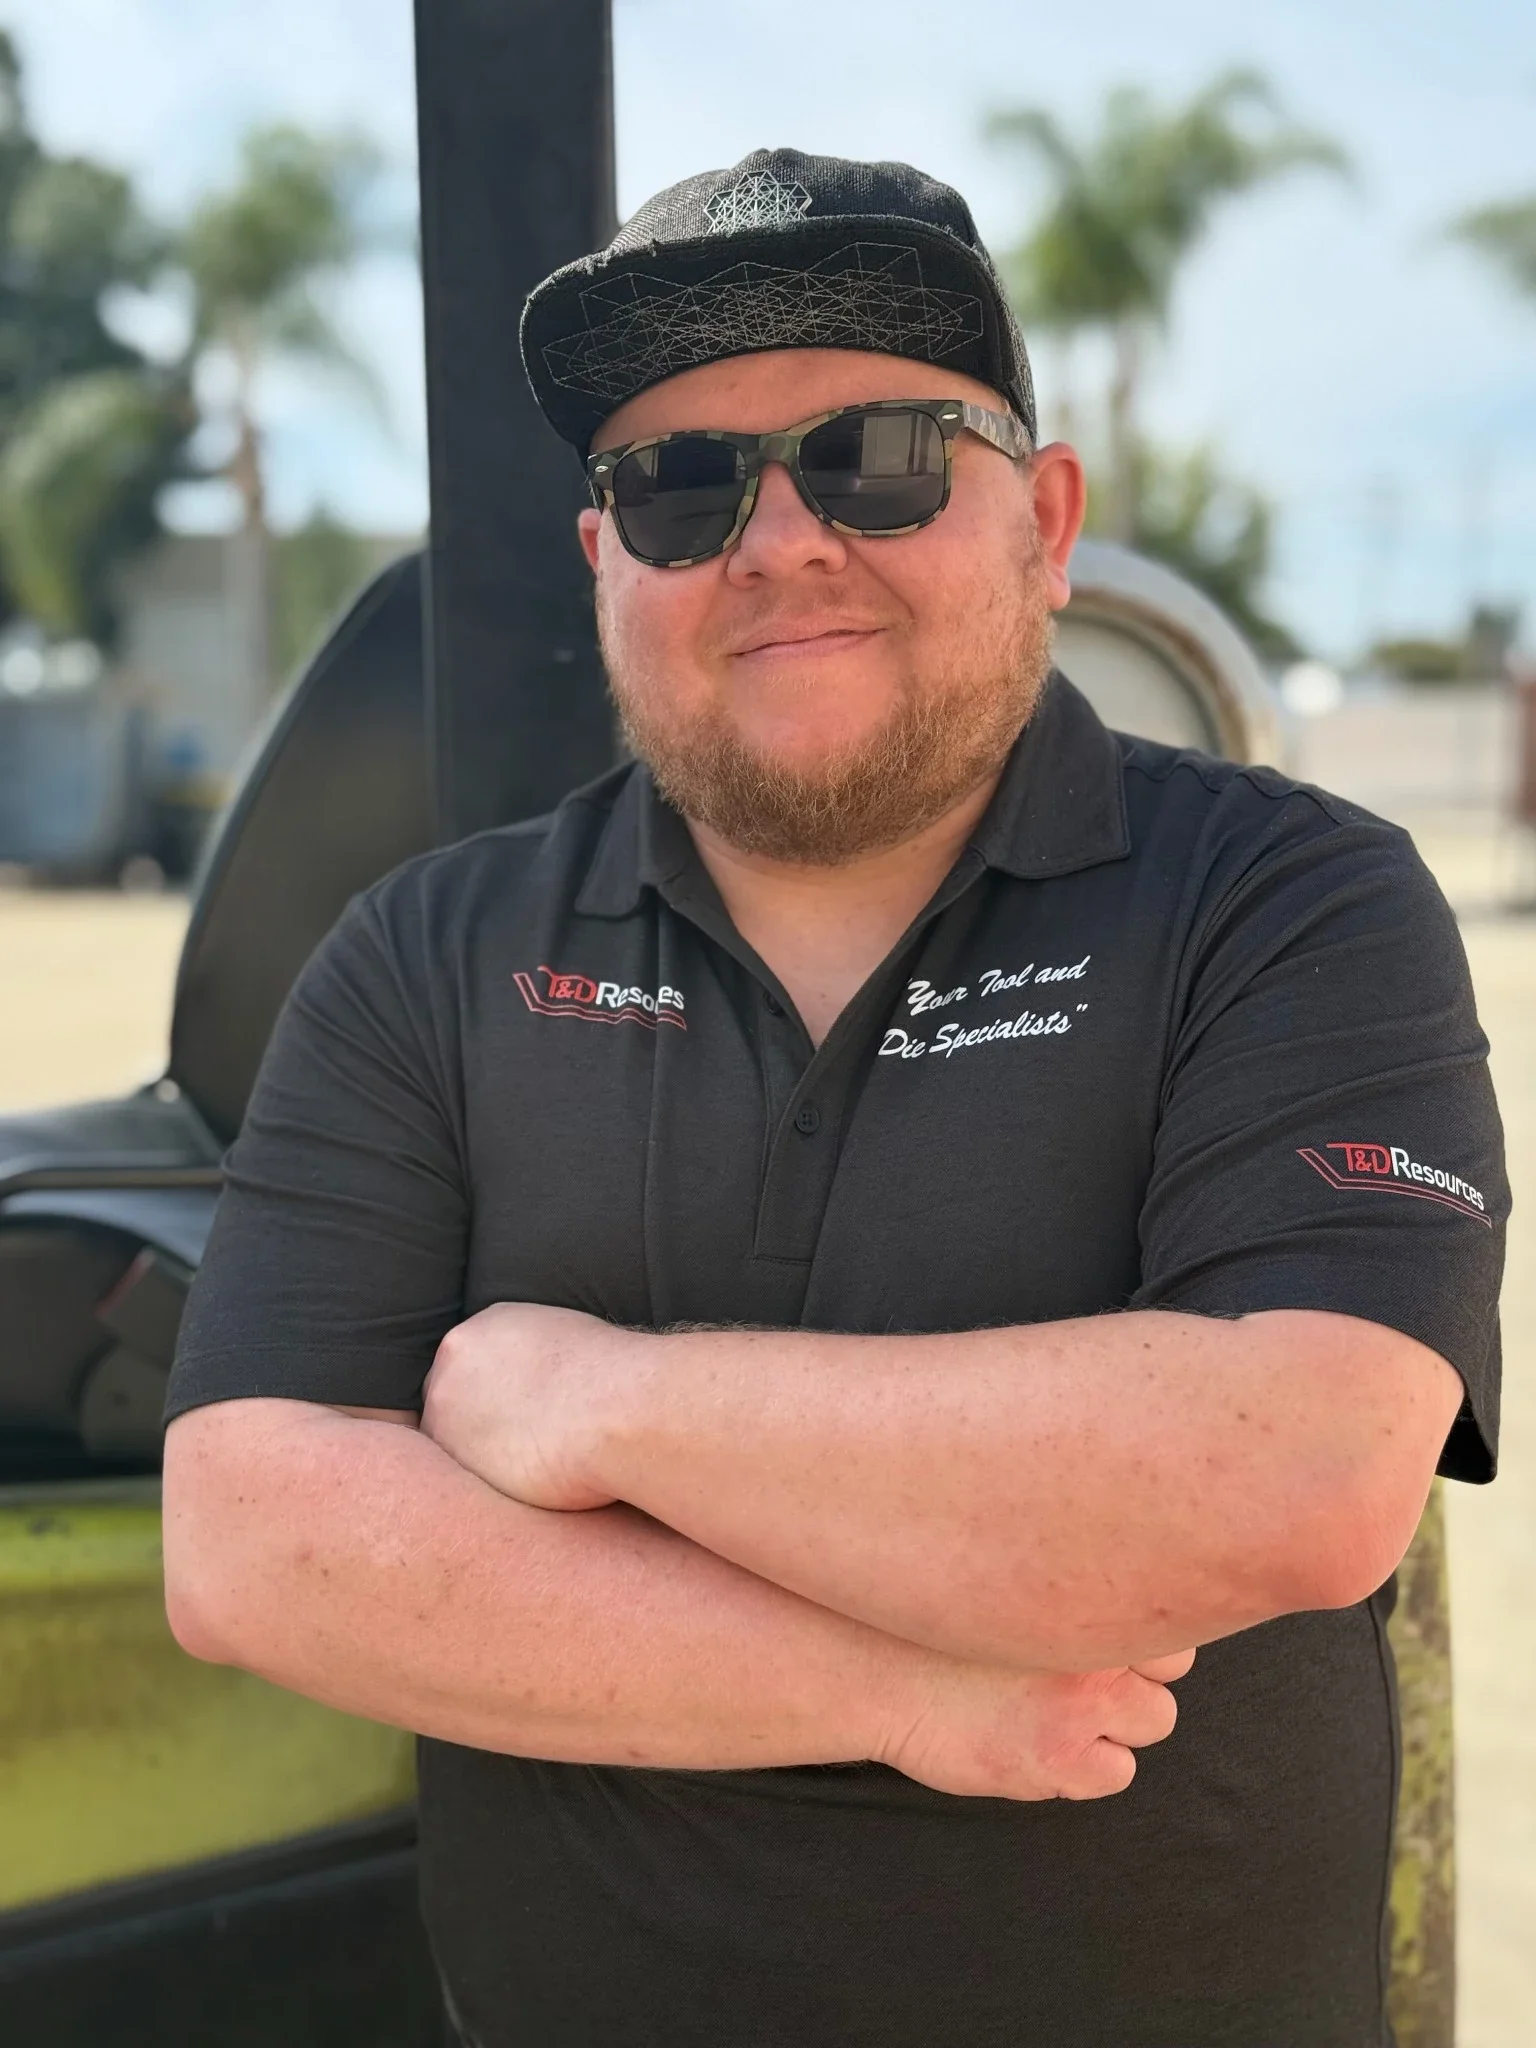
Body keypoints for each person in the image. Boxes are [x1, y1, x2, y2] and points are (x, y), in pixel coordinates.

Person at [161, 150, 1507, 2048]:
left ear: (1044, 518)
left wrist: (593, 1395)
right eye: (679, 481)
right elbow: (256, 1544)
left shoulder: (1287, 898)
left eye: (876, 452)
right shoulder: (428, 955)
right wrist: (911, 1696)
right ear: (605, 561)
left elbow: (1294, 1470)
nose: (777, 541)